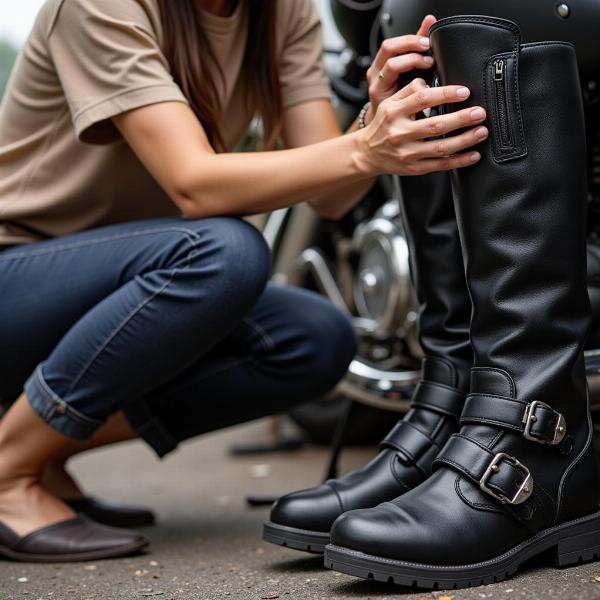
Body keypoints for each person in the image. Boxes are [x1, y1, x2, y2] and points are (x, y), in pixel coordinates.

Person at [0, 0, 488, 562]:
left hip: (115, 289)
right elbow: (195, 186)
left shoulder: (283, 11)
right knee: (224, 254)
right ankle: (10, 473)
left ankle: (42, 455)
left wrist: (374, 118)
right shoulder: (102, 5)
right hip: (20, 282)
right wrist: (363, 147)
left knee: (313, 338)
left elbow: (332, 195)